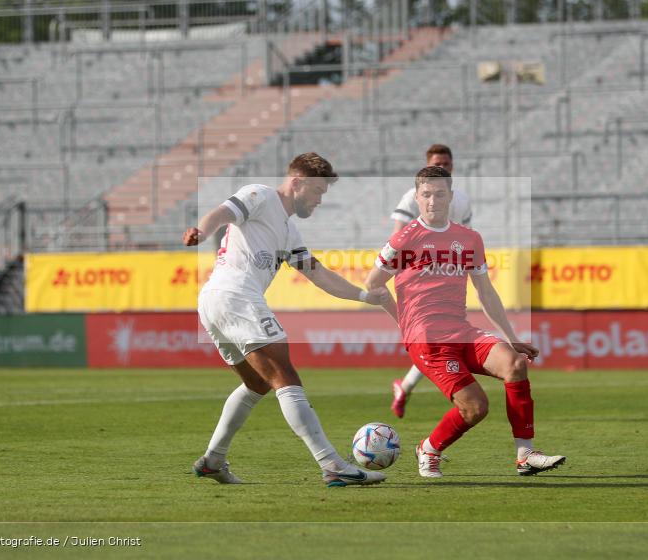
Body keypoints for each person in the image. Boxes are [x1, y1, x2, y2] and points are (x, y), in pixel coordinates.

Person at [184, 152, 391, 486]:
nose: (320, 200)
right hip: (236, 295)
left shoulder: (288, 231)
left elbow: (319, 275)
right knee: (285, 376)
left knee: (257, 383)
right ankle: (333, 465)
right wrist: (201, 230)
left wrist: (365, 296)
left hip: (215, 301)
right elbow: (222, 213)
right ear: (297, 182)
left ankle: (213, 460)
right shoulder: (261, 195)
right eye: (318, 191)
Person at [365, 165, 566, 478]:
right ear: (417, 198)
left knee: (515, 363)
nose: (433, 200)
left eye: (440, 194)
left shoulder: (469, 239)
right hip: (428, 340)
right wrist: (403, 322)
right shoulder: (405, 239)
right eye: (426, 194)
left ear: (451, 196)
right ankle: (429, 448)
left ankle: (525, 454)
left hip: (462, 331)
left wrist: (511, 336)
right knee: (476, 407)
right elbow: (373, 285)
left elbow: (485, 291)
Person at [389, 144, 473, 418]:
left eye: (447, 164)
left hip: (449, 279)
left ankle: (405, 386)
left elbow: (465, 238)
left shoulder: (461, 200)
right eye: (438, 163)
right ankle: (455, 391)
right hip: (419, 282)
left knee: (441, 338)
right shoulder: (413, 198)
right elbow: (398, 237)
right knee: (435, 337)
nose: (443, 167)